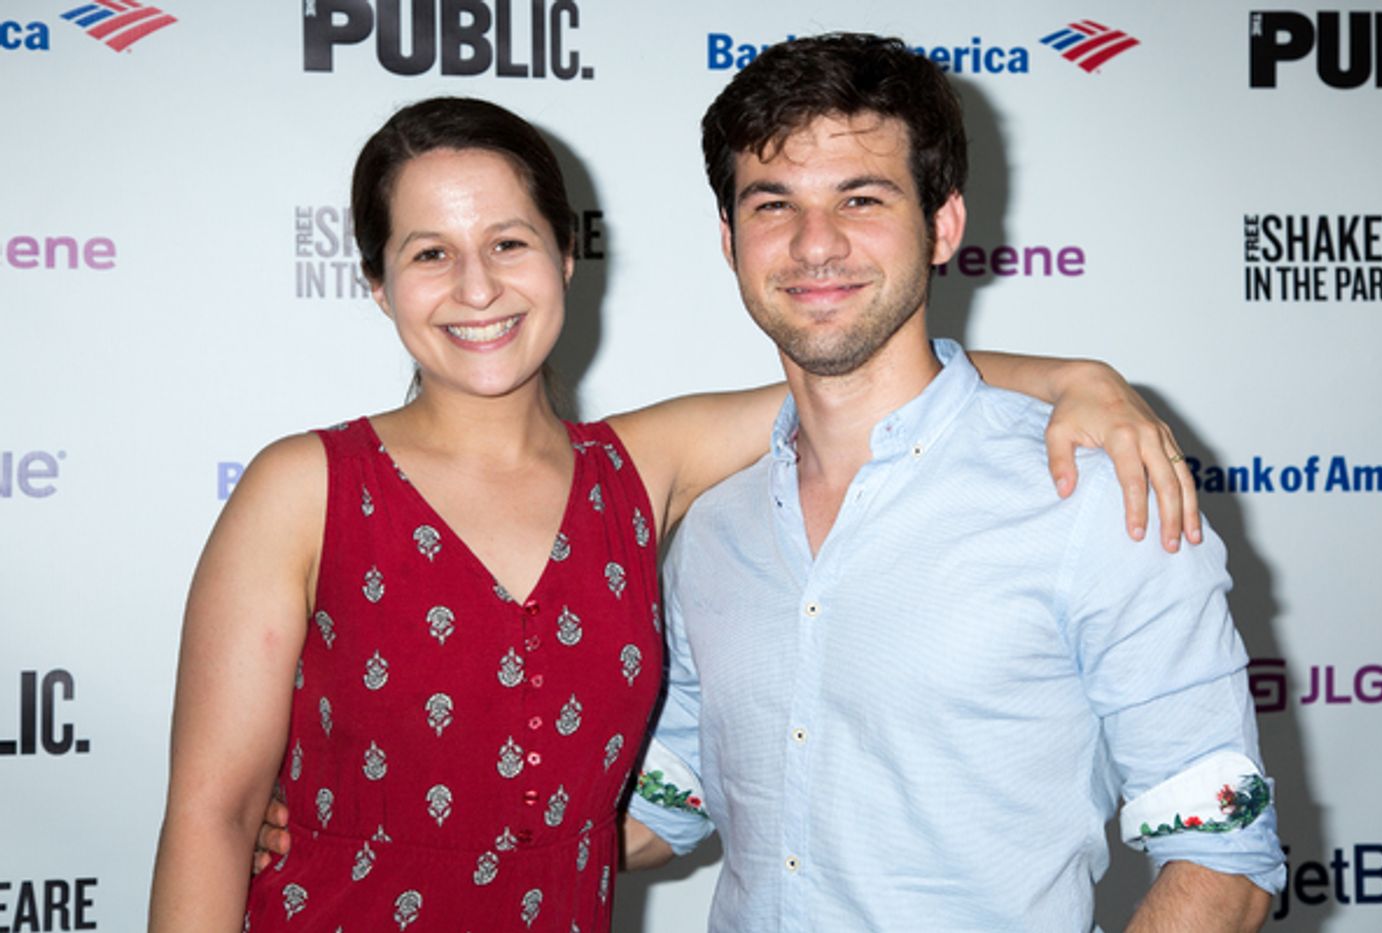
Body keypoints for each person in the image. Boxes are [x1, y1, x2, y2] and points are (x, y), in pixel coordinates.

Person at [154, 97, 1195, 932]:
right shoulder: (307, 485)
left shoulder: (640, 469)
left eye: (508, 242)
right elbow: (211, 816)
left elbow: (865, 363)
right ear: (379, 285)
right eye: (428, 253)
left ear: (565, 255)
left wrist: (1075, 377)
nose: (475, 286)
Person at [621, 33, 1285, 932]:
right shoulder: (713, 526)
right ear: (730, 237)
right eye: (774, 203)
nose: (816, 244)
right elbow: (674, 794)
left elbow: (1223, 861)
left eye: (862, 198)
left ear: (943, 225)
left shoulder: (1095, 496)